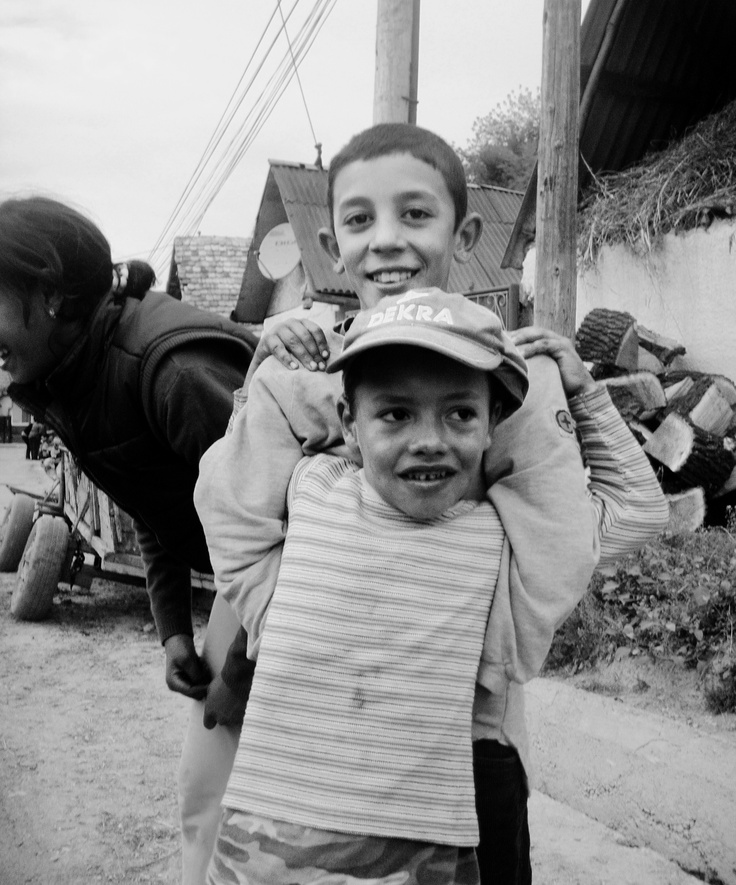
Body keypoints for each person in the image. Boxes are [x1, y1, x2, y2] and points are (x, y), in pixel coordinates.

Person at [195, 123, 670, 884]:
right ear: (331, 240)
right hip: (301, 767)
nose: (387, 241)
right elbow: (234, 509)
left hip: (462, 764)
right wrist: (265, 374)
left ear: (465, 230)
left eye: (415, 215)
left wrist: (579, 394)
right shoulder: (308, 372)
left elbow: (619, 520)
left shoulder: (510, 382)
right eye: (360, 220)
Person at [0, 194, 259, 884]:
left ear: (51, 296)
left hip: (321, 592)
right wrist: (174, 629)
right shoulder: (76, 378)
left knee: (273, 813)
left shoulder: (171, 372)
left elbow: (301, 537)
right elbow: (150, 493)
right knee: (207, 795)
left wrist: (241, 671)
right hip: (258, 587)